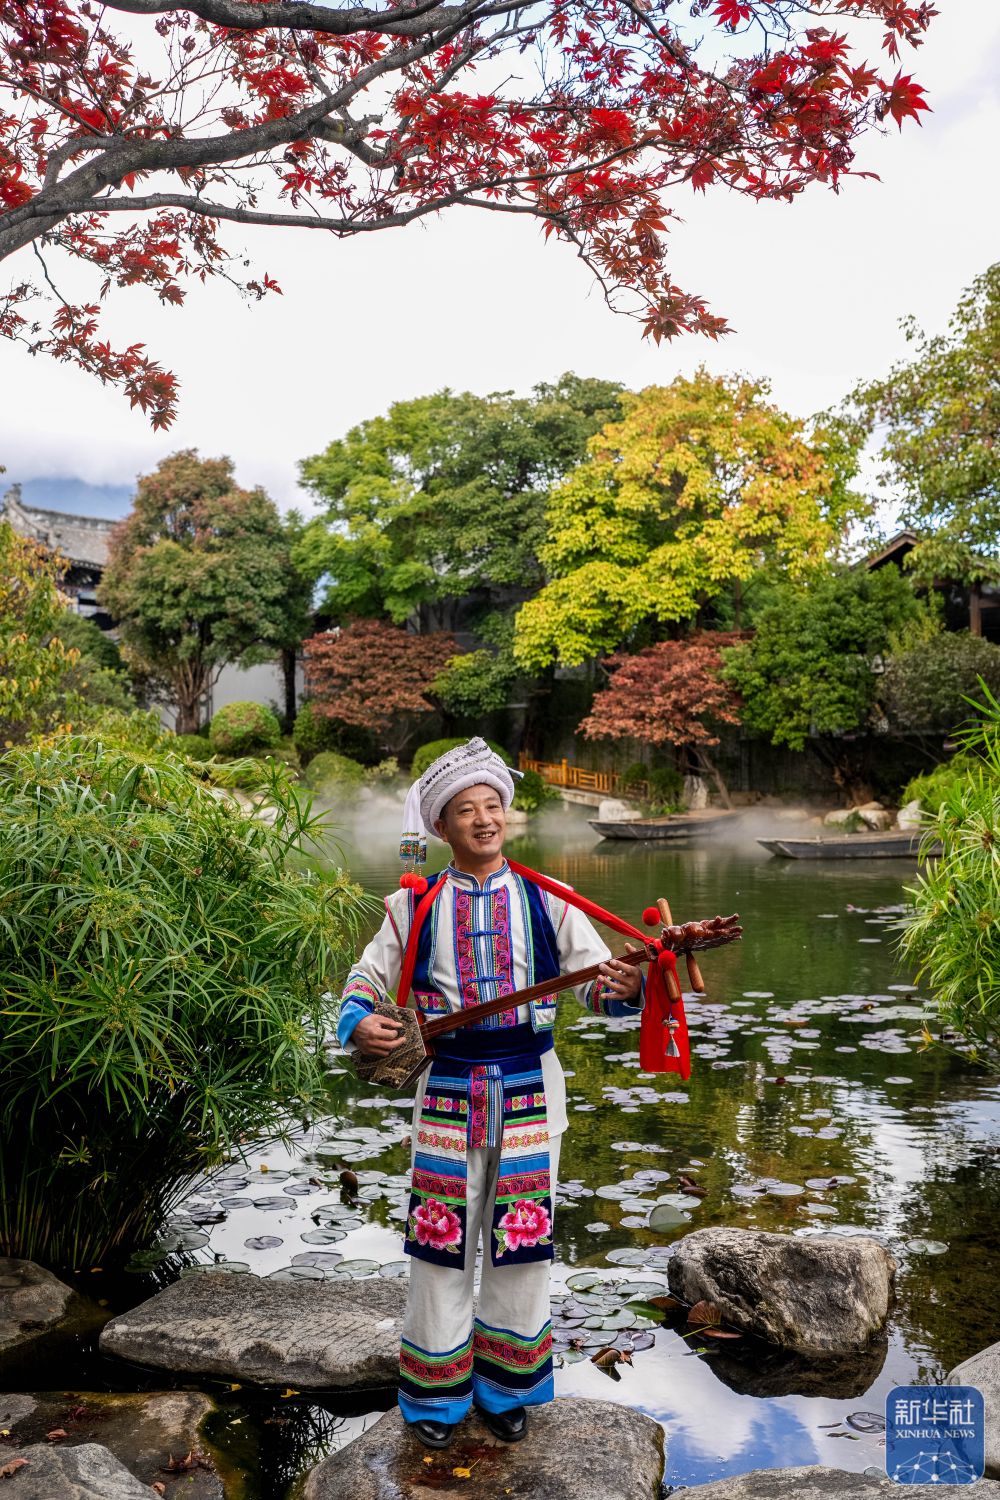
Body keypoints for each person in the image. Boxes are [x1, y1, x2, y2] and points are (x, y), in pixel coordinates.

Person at [336, 737, 643, 1450]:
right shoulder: (412, 904)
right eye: (466, 810)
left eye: (492, 805)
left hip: (532, 1087)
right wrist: (360, 1023)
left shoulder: (549, 898)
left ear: (506, 813)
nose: (484, 819)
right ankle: (436, 1396)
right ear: (442, 826)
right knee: (439, 1242)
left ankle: (507, 1387)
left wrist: (626, 987)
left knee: (523, 1244)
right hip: (447, 1086)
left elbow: (599, 985)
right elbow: (364, 980)